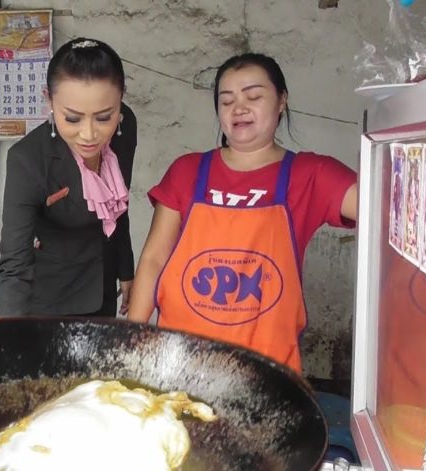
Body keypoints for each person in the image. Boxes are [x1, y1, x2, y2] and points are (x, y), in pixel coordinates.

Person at [128, 53, 358, 373]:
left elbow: (387, 208)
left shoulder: (311, 174)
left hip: (266, 368)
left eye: (253, 96)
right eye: (226, 101)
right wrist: (129, 337)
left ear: (282, 101)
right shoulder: (187, 171)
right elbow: (154, 258)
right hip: (181, 358)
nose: (239, 108)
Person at [0, 37, 137, 317]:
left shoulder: (125, 128)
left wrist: (126, 270)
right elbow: (14, 264)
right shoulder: (27, 159)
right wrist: (11, 338)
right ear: (48, 100)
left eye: (104, 117)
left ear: (121, 97)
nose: (89, 134)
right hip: (51, 302)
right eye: (72, 118)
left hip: (103, 289)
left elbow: (117, 206)